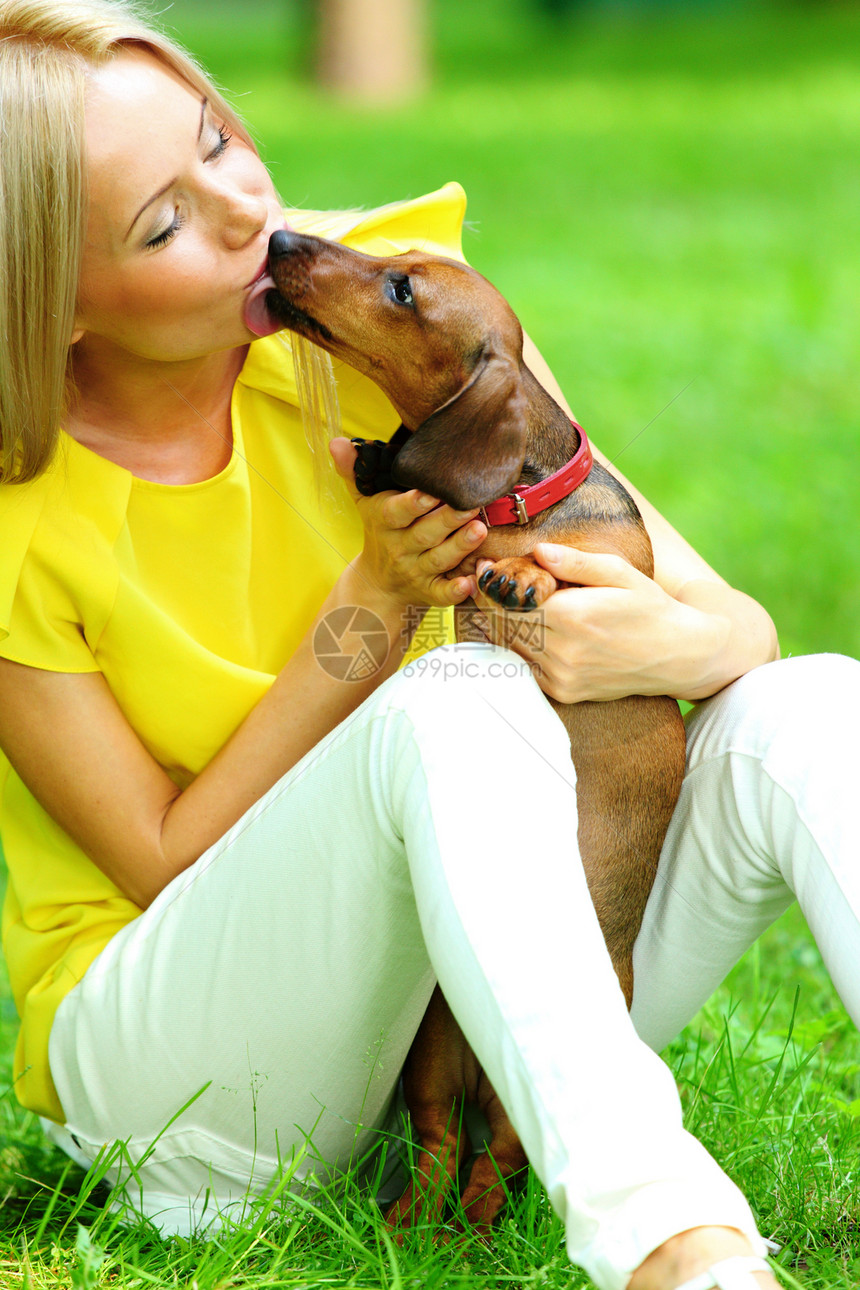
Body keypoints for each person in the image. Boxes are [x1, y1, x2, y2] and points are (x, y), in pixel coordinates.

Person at [1, 2, 855, 1287]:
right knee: (454, 697)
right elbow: (161, 861)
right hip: (190, 1071)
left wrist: (644, 649)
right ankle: (676, 1246)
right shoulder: (21, 519)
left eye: (220, 141)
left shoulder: (388, 317)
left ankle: (554, 1140)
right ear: (51, 307)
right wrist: (371, 607)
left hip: (466, 1009)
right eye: (163, 223)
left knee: (812, 705)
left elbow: (738, 626)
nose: (248, 215)